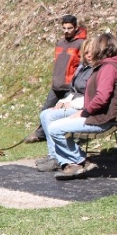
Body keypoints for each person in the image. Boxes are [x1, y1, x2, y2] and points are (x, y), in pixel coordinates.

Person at [38, 32, 117, 180]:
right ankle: (69, 161)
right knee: (50, 118)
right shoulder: (110, 66)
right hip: (100, 115)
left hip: (100, 119)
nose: (93, 51)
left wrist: (83, 112)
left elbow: (101, 98)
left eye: (96, 47)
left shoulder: (108, 69)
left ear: (104, 49)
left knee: (55, 128)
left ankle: (81, 161)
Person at [35, 36, 96, 172]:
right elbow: (73, 90)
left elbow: (90, 97)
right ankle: (54, 156)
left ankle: (58, 158)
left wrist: (71, 105)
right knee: (45, 113)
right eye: (86, 52)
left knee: (50, 117)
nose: (89, 55)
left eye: (92, 52)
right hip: (75, 103)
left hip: (83, 109)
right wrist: (62, 102)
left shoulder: (96, 71)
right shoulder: (82, 68)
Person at [26, 14, 88, 143]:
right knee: (46, 110)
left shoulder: (82, 44)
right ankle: (41, 134)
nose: (66, 31)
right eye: (64, 28)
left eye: (69, 28)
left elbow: (84, 65)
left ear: (76, 27)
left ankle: (69, 136)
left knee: (67, 112)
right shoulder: (60, 43)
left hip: (70, 87)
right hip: (56, 85)